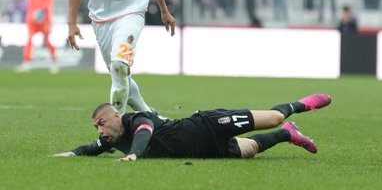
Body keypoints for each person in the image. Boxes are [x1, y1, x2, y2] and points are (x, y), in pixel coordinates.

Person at [52, 93, 332, 160]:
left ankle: (299, 105)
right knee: (251, 149)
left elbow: (145, 134)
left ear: (115, 116)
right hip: (205, 149)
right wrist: (72, 154)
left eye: (101, 123)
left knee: (272, 117)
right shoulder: (111, 140)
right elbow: (91, 148)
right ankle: (288, 134)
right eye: (96, 127)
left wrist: (134, 155)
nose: (100, 131)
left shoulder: (136, 120)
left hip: (207, 125)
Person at [16, 0, 57, 73]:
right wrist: (30, 13)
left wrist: (42, 11)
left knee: (47, 39)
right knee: (29, 38)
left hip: (44, 16)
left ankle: (54, 62)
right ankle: (26, 62)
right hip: (32, 16)